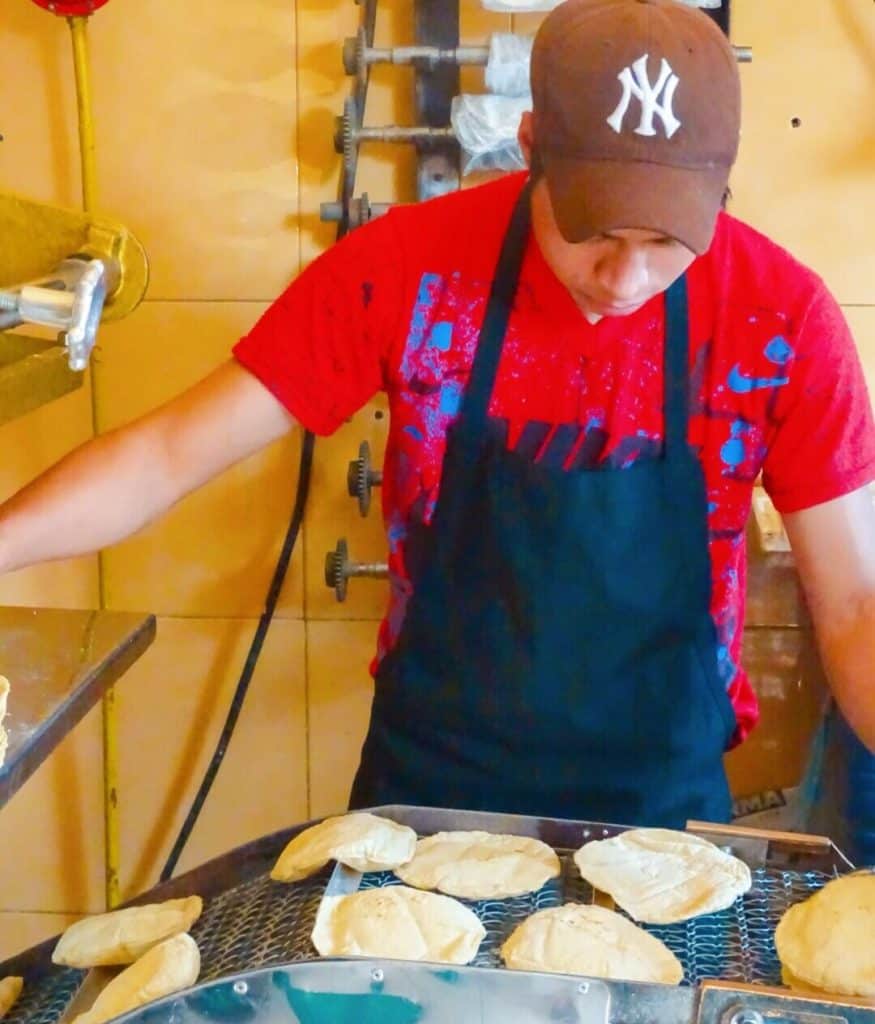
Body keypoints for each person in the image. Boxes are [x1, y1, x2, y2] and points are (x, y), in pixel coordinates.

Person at [2, 0, 874, 827]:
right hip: (426, 795)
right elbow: (164, 454)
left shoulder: (780, 318)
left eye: (665, 242)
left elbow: (852, 607)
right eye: (596, 232)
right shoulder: (408, 269)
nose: (625, 280)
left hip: (662, 808)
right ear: (528, 145)